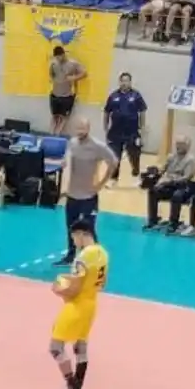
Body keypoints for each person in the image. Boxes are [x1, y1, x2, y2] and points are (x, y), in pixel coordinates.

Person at [49, 219, 108, 389]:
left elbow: (74, 289)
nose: (74, 241)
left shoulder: (84, 256)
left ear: (82, 234)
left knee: (56, 347)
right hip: (92, 304)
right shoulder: (103, 253)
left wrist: (59, 290)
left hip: (77, 305)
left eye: (74, 237)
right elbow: (103, 283)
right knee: (80, 347)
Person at [58, 116, 117, 264]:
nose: (80, 131)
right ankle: (70, 255)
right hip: (73, 194)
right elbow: (67, 161)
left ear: (88, 129)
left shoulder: (98, 146)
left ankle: (94, 257)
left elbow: (113, 162)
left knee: (88, 228)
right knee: (71, 228)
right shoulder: (72, 143)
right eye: (77, 128)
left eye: (83, 128)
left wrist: (102, 182)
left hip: (89, 196)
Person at [102, 72, 147, 184]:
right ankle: (113, 178)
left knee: (134, 155)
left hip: (132, 132)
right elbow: (107, 112)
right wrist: (105, 127)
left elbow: (142, 112)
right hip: (115, 132)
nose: (124, 83)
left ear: (130, 82)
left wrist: (142, 128)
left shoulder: (136, 95)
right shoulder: (113, 96)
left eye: (127, 81)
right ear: (119, 82)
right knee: (114, 156)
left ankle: (136, 174)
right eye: (122, 80)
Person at [48, 45, 86, 135]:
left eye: (59, 57)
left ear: (63, 54)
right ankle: (50, 135)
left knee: (63, 118)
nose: (58, 59)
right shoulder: (54, 64)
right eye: (56, 57)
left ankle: (57, 135)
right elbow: (51, 75)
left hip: (67, 95)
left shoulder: (73, 63)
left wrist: (74, 78)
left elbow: (84, 73)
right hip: (55, 94)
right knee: (54, 117)